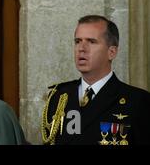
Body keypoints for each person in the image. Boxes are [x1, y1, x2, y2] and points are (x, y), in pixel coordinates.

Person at [41, 15, 150, 145]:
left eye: (91, 42)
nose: (82, 48)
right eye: (77, 41)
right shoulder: (59, 97)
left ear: (112, 52)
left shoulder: (137, 101)